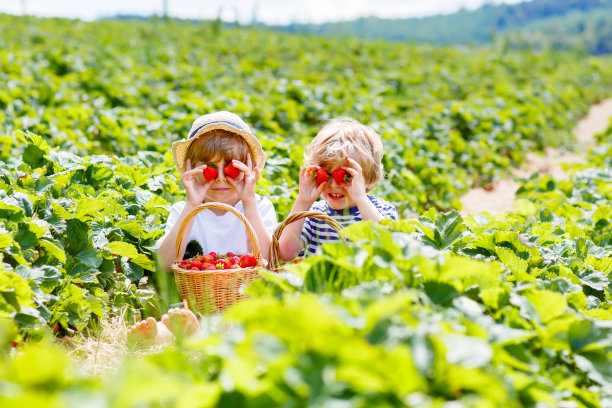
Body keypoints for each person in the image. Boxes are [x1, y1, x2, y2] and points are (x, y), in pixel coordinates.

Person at [128, 111, 277, 345]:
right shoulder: (184, 210)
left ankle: (192, 332)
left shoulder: (259, 207)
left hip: (244, 303)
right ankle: (170, 332)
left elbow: (268, 259)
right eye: (208, 168)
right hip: (194, 302)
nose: (219, 178)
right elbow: (165, 263)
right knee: (171, 309)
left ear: (248, 168)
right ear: (191, 169)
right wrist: (192, 204)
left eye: (230, 169)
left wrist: (248, 200)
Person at [278, 117, 398, 261]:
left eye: (347, 176)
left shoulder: (381, 210)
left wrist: (361, 199)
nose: (334, 184)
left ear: (370, 180)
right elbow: (285, 254)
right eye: (327, 174)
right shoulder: (314, 214)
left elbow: (388, 248)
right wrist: (303, 202)